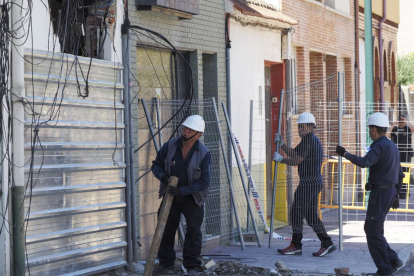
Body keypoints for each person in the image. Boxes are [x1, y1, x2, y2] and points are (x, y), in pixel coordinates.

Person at [336, 112, 404, 276]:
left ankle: (384, 269)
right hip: (389, 192)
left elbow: (365, 162)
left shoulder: (378, 146)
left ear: (374, 129)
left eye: (369, 129)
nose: (369, 132)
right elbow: (400, 174)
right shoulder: (392, 145)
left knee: (372, 231)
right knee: (375, 230)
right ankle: (393, 259)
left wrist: (345, 153)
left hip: (380, 193)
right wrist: (396, 195)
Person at [151, 115, 211, 276]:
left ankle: (192, 265)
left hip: (193, 197)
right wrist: (164, 178)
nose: (185, 131)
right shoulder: (170, 146)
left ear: (198, 135)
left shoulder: (204, 153)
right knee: (165, 228)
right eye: (185, 128)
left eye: (190, 129)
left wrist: (183, 191)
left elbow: (205, 182)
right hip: (171, 195)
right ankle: (166, 262)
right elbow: (156, 165)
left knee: (193, 231)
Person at [273, 112, 336, 257]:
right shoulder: (311, 139)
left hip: (308, 183)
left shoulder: (308, 140)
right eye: (299, 126)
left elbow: (295, 161)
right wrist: (282, 145)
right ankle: (327, 243)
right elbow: (295, 153)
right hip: (315, 182)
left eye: (303, 126)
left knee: (296, 212)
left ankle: (296, 245)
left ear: (310, 126)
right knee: (311, 216)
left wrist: (280, 160)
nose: (300, 129)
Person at [389, 114, 414, 199]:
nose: (401, 123)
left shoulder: (408, 129)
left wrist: (407, 122)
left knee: (405, 173)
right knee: (395, 172)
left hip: (406, 154)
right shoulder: (395, 129)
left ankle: (404, 192)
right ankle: (396, 191)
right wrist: (393, 124)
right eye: (400, 121)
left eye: (403, 121)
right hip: (396, 153)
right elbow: (387, 135)